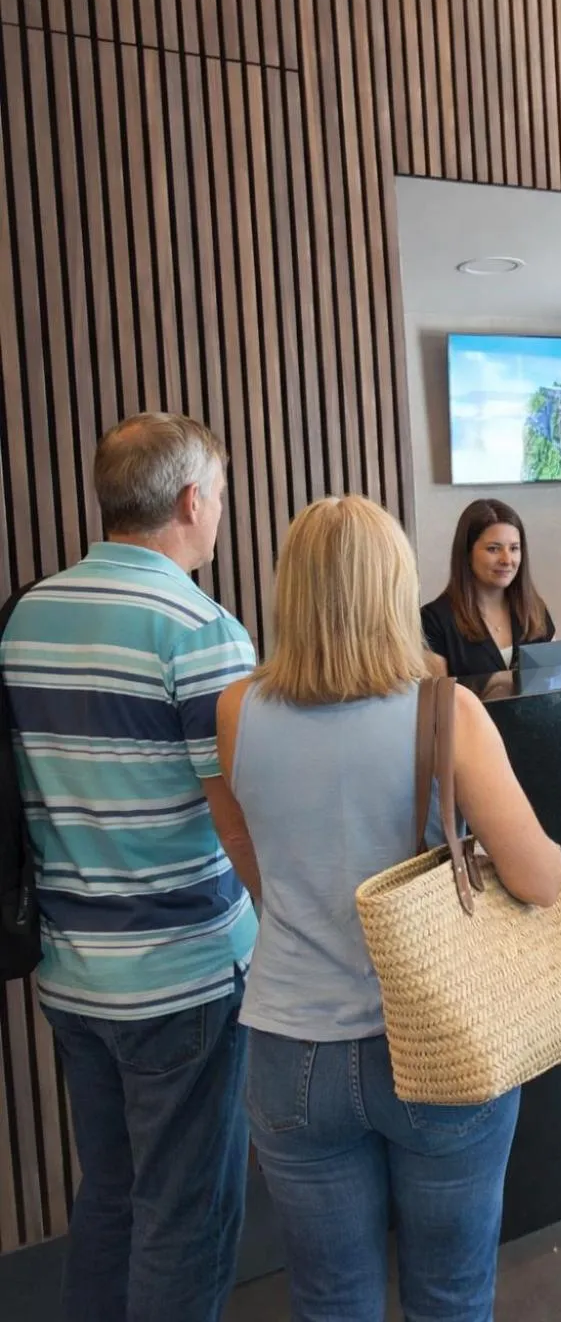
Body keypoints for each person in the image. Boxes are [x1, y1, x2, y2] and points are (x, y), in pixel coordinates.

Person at [207, 495, 561, 1322]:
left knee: (331, 1300)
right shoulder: (446, 711)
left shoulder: (236, 711)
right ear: (394, 588)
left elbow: (253, 862)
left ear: (289, 590)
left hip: (290, 1045)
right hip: (437, 1037)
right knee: (449, 1295)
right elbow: (538, 880)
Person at [0, 414, 257, 1322]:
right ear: (192, 501)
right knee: (185, 1215)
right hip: (183, 977)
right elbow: (243, 823)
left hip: (72, 977)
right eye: (219, 495)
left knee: (107, 1200)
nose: (220, 512)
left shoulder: (28, 613)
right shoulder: (201, 630)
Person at [421, 498, 555, 676]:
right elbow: (439, 700)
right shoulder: (433, 621)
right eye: (493, 549)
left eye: (514, 548)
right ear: (467, 553)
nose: (507, 560)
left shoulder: (535, 609)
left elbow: (555, 683)